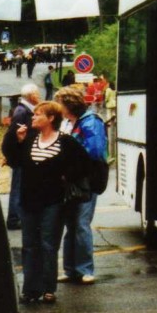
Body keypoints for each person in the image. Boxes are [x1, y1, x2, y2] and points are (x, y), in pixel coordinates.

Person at [4, 100, 88, 304]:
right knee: (29, 245)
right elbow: (13, 160)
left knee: (48, 245)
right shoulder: (29, 139)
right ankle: (30, 290)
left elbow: (84, 164)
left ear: (51, 118)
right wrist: (17, 140)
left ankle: (48, 288)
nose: (33, 117)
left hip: (53, 202)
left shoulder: (65, 141)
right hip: (28, 201)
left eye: (38, 114)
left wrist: (66, 176)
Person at [55, 86, 107, 285]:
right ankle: (71, 269)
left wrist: (69, 155)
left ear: (69, 105)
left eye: (60, 103)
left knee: (81, 223)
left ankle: (85, 269)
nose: (58, 108)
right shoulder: (71, 122)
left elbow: (95, 150)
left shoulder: (90, 122)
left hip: (87, 180)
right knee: (71, 224)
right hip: (73, 179)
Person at [2, 83, 42, 230]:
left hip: (23, 156)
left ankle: (18, 217)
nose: (39, 96)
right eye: (37, 93)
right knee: (18, 188)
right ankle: (14, 219)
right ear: (31, 96)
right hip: (21, 157)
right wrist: (12, 156)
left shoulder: (25, 110)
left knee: (21, 187)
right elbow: (10, 137)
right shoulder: (22, 112)